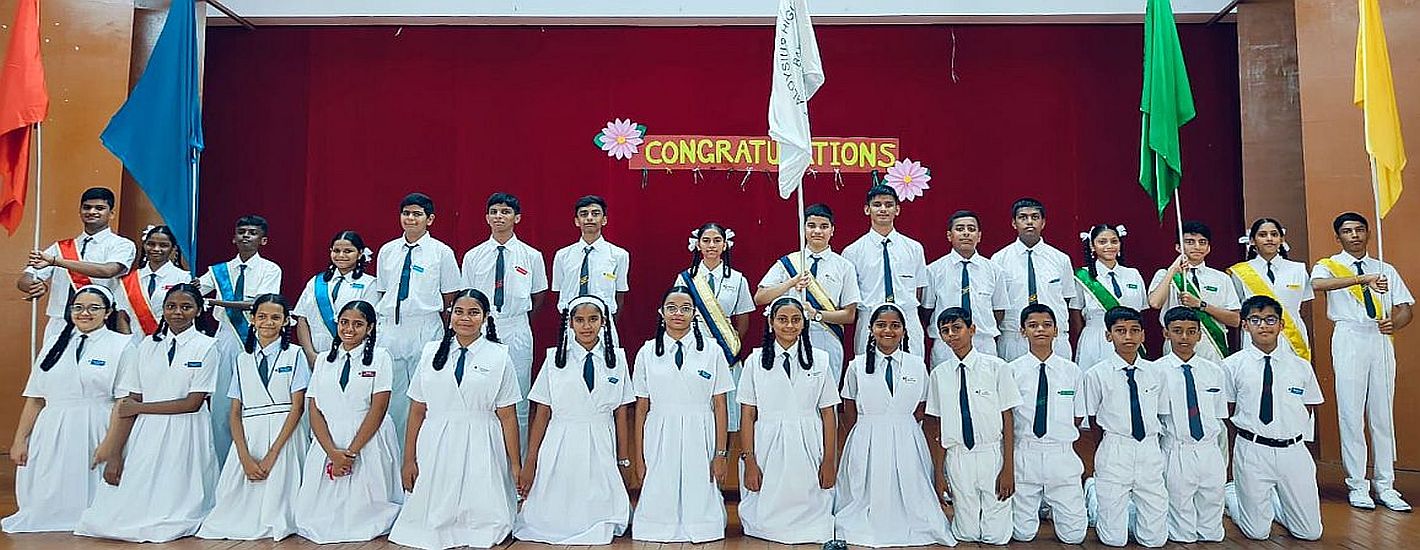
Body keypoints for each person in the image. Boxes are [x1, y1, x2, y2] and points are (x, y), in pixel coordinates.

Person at [74, 284, 220, 542]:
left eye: (186, 307)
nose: (177, 312)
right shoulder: (145, 346)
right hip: (146, 432)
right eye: (171, 306)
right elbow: (131, 398)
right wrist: (115, 454)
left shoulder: (208, 346)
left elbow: (192, 403)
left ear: (198, 311)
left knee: (176, 499)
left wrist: (140, 408)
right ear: (162, 309)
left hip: (187, 430)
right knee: (123, 508)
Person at [390, 289, 522, 549]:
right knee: (433, 510)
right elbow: (417, 410)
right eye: (459, 312)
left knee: (481, 509)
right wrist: (408, 459)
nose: (465, 318)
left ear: (485, 318)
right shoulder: (430, 353)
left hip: (482, 439)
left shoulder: (499, 356)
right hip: (437, 439)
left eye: (473, 313)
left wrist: (515, 464)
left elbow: (508, 416)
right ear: (450, 315)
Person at [1311, 212, 1413, 511]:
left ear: (1368, 233)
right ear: (1338, 236)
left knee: (1382, 413)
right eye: (1347, 231)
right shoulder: (1329, 265)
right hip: (1349, 336)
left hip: (1379, 338)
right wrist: (1362, 279)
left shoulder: (1384, 268)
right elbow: (1317, 285)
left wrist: (1396, 323)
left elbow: (1406, 307)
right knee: (1351, 413)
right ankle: (1357, 484)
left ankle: (1386, 484)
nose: (1354, 235)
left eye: (1359, 230)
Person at [2, 286, 125, 533]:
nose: (84, 313)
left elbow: (123, 401)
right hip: (51, 428)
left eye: (93, 308)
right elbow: (35, 398)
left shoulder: (122, 345)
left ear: (108, 312)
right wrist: (19, 440)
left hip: (96, 426)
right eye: (78, 307)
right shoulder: (53, 344)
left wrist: (111, 446)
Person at [515, 295, 635, 545]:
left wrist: (624, 459)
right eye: (579, 320)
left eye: (593, 319)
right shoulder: (554, 359)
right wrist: (531, 461)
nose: (586, 326)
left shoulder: (617, 360)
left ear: (604, 322)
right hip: (561, 439)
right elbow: (542, 412)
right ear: (569, 324)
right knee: (559, 500)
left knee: (599, 499)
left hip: (601, 438)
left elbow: (621, 413)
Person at [834, 303, 955, 547]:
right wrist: (866, 433)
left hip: (906, 437)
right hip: (867, 436)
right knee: (864, 493)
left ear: (903, 330)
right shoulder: (856, 366)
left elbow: (923, 408)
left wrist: (900, 425)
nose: (888, 330)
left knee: (911, 492)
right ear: (870, 329)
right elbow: (848, 410)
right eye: (881, 325)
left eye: (895, 325)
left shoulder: (916, 365)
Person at [198, 294, 310, 541]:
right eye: (262, 316)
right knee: (232, 512)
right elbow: (235, 411)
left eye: (275, 317)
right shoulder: (242, 358)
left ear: (285, 321)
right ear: (252, 319)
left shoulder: (295, 354)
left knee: (281, 503)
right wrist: (244, 456)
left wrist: (272, 454)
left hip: (285, 435)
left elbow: (297, 407)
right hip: (250, 436)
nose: (268, 322)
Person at [292, 300, 403, 543]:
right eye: (344, 323)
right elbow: (314, 408)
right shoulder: (323, 360)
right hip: (329, 441)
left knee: (365, 508)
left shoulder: (381, 358)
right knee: (318, 513)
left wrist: (350, 454)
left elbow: (379, 407)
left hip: (367, 439)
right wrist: (333, 453)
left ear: (370, 328)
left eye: (358, 324)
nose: (349, 329)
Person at [630, 286, 733, 543]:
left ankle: (702, 526)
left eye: (685, 308)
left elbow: (720, 405)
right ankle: (656, 526)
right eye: (672, 308)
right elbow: (641, 408)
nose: (678, 314)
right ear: (661, 312)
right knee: (660, 484)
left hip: (700, 429)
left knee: (699, 484)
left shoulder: (712, 351)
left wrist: (721, 453)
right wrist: (638, 457)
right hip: (660, 428)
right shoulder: (646, 352)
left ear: (694, 313)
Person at [737, 296, 840, 544]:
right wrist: (750, 461)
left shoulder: (820, 359)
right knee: (767, 503)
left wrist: (828, 460)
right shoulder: (755, 361)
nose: (789, 326)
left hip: (808, 439)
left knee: (811, 498)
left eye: (796, 320)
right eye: (782, 319)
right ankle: (767, 526)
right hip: (768, 441)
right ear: (771, 323)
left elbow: (828, 413)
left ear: (804, 324)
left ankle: (811, 525)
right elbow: (748, 413)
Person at [1224, 295, 1324, 541]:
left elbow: (1309, 406)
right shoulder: (1232, 366)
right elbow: (1228, 412)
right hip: (1252, 449)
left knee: (1310, 533)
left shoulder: (1300, 366)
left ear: (1281, 325)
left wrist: (1291, 433)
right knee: (1256, 532)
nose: (1264, 326)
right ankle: (1232, 496)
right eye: (1255, 320)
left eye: (1270, 319)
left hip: (1293, 451)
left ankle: (1278, 504)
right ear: (1245, 325)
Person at [374, 193, 464, 443]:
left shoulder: (441, 253)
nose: (410, 219)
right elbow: (383, 291)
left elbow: (450, 295)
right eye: (406, 213)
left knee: (424, 395)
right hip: (392, 327)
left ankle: (418, 457)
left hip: (425, 325)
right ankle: (392, 457)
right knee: (390, 396)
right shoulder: (387, 251)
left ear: (430, 219)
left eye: (417, 214)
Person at [461, 192, 547, 453]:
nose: (499, 216)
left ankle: (516, 466)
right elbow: (467, 299)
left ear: (517, 217)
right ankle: (482, 460)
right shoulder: (473, 256)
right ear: (487, 217)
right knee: (480, 398)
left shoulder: (531, 256)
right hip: (482, 329)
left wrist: (516, 320)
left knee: (518, 400)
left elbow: (539, 295)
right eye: (495, 211)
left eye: (506, 212)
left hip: (517, 327)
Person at [926, 307, 1019, 545]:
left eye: (957, 328)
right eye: (945, 331)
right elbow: (936, 425)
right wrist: (939, 472)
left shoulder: (997, 368)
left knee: (996, 536)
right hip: (958, 455)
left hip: (990, 452)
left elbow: (1008, 419)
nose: (951, 335)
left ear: (972, 329)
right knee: (965, 533)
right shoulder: (939, 374)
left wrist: (1008, 467)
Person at [198, 214, 283, 464]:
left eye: (253, 232)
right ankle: (223, 464)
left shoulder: (270, 269)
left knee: (256, 403)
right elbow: (194, 291)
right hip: (225, 338)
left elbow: (260, 305)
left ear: (263, 240)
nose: (247, 235)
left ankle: (256, 459)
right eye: (242, 231)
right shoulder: (218, 271)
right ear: (234, 237)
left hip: (258, 339)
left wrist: (215, 301)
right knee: (223, 406)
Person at [1081, 306, 1167, 548]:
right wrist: (1105, 451)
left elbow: (1160, 412)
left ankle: (1127, 510)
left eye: (1134, 331)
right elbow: (1094, 420)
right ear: (1109, 335)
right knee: (1114, 540)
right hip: (1115, 446)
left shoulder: (1156, 372)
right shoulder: (1096, 374)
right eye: (1120, 331)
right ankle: (1094, 492)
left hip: (1149, 447)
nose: (1128, 337)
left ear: (1142, 335)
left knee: (1154, 539)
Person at [1007, 304, 1087, 545]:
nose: (1040, 330)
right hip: (1025, 452)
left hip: (1061, 454)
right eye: (1032, 325)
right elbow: (1008, 418)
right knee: (1022, 534)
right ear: (1022, 331)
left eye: (1046, 325)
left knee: (1074, 536)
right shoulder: (1012, 371)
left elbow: (1077, 416)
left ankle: (1088, 496)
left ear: (1056, 330)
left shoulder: (1071, 371)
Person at [755, 203, 861, 384]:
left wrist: (816, 315)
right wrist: (791, 282)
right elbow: (760, 297)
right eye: (811, 226)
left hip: (827, 336)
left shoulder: (844, 266)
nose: (817, 231)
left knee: (826, 398)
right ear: (803, 228)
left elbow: (850, 315)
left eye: (824, 226)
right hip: (789, 336)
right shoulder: (789, 262)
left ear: (832, 230)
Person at [17, 187, 135, 340]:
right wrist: (35, 285)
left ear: (111, 213)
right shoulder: (60, 247)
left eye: (99, 208)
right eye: (87, 207)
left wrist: (56, 261)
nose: (92, 212)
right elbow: (25, 279)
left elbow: (108, 271)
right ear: (80, 212)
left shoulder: (122, 245)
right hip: (60, 321)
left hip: (100, 322)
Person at [1154, 307, 1227, 543]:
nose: (1184, 337)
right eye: (1177, 331)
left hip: (1209, 449)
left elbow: (1219, 415)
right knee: (1182, 533)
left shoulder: (1214, 371)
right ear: (1166, 334)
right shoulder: (1155, 371)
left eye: (1190, 332)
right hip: (1177, 448)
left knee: (1212, 531)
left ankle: (1234, 499)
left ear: (1199, 335)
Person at [675, 222, 755, 430]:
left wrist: (730, 345)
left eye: (717, 240)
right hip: (694, 348)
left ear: (725, 245)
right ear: (697, 245)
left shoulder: (738, 279)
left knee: (727, 412)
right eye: (706, 240)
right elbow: (677, 315)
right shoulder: (685, 279)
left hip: (726, 352)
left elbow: (743, 318)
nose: (712, 245)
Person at [843, 185, 928, 357]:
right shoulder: (852, 251)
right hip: (870, 319)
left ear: (897, 209)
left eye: (889, 205)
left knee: (911, 373)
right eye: (877, 204)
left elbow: (919, 289)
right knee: (868, 374)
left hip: (907, 317)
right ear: (867, 209)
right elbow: (849, 295)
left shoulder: (913, 248)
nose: (883, 209)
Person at [991, 198, 1077, 361]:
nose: (1029, 222)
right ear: (1014, 223)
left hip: (1054, 339)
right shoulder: (999, 260)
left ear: (1043, 222)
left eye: (1035, 217)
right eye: (1023, 217)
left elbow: (1066, 299)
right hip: (1014, 338)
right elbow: (996, 303)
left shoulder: (1060, 259)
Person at [1147, 220, 1241, 362]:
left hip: (1212, 347)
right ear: (1178, 247)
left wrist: (1201, 305)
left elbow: (1235, 320)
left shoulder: (1221, 278)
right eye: (1190, 242)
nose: (1197, 247)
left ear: (1208, 248)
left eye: (1202, 242)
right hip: (1176, 345)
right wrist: (1173, 270)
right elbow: (1154, 303)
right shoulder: (1165, 274)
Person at [922, 209, 1007, 363]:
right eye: (960, 229)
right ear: (949, 235)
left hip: (983, 342)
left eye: (971, 229)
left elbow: (999, 310)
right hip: (946, 344)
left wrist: (974, 329)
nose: (966, 233)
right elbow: (927, 310)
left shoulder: (994, 270)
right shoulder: (934, 270)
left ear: (979, 236)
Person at [1229, 218, 1313, 360]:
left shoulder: (1298, 269)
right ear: (1252, 241)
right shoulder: (1239, 272)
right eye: (1262, 235)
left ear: (1281, 239)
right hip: (1255, 333)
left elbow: (1304, 305)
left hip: (1293, 335)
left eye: (1274, 234)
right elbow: (1236, 310)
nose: (1269, 239)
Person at [295, 230, 380, 363]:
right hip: (314, 355)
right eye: (336, 250)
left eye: (347, 251)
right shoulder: (315, 282)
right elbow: (302, 319)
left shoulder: (369, 284)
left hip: (350, 355)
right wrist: (310, 354)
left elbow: (370, 324)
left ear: (360, 253)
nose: (341, 255)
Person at [1072, 224, 1147, 371]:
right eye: (1102, 242)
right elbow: (1075, 314)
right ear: (1092, 246)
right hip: (1095, 338)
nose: (1109, 246)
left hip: (1129, 337)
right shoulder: (1082, 277)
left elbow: (1141, 311)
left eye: (1114, 241)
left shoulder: (1133, 274)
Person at [551, 195, 630, 318]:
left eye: (595, 214)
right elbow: (559, 290)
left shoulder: (619, 255)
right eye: (583, 214)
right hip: (571, 320)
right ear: (577, 221)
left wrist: (610, 323)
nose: (589, 218)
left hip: (604, 319)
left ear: (604, 220)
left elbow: (620, 293)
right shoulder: (562, 255)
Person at [115, 225, 188, 340]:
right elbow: (122, 316)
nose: (156, 249)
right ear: (144, 245)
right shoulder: (127, 280)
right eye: (151, 244)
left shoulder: (184, 278)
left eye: (163, 245)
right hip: (134, 343)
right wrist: (129, 344)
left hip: (168, 342)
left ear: (173, 248)